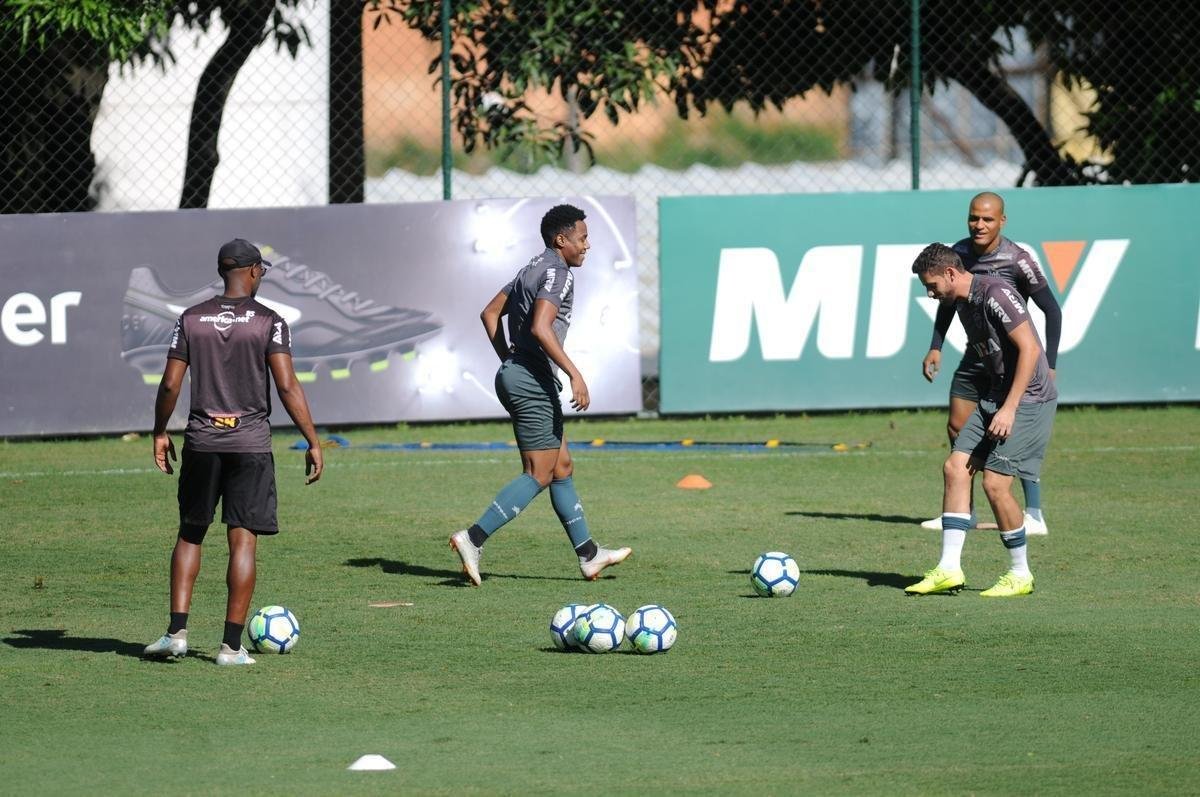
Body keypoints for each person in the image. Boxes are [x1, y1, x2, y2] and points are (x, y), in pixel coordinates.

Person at [143, 238, 323, 665]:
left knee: (191, 533)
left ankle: (176, 634)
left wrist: (158, 431)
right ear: (254, 271)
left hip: (202, 442)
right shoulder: (270, 321)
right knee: (242, 541)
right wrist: (313, 440)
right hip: (251, 446)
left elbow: (170, 384)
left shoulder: (190, 318)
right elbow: (287, 385)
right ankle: (230, 647)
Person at [449, 204, 631, 586]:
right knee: (539, 473)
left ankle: (589, 555)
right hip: (531, 380)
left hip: (521, 375)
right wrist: (574, 374)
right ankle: (473, 538)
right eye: (582, 239)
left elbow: (489, 313)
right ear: (560, 240)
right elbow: (540, 327)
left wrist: (512, 362)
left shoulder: (530, 267)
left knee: (561, 466)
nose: (587, 246)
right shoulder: (559, 273)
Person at [905, 243, 1057, 597]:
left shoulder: (996, 293)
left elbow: (1031, 349)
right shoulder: (960, 300)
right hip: (996, 395)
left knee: (995, 485)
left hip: (1029, 400)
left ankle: (1020, 574)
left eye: (931, 286)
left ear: (950, 273)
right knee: (955, 469)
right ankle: (948, 569)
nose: (930, 294)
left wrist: (1010, 408)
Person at [920, 192, 1061, 535]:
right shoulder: (959, 255)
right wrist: (936, 346)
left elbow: (1051, 310)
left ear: (1002, 221)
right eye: (973, 218)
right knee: (956, 426)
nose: (979, 225)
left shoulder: (1018, 260)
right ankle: (961, 511)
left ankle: (1034, 512)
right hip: (977, 354)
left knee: (1013, 431)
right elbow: (948, 300)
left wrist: (1051, 363)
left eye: (987, 219)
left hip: (1013, 358)